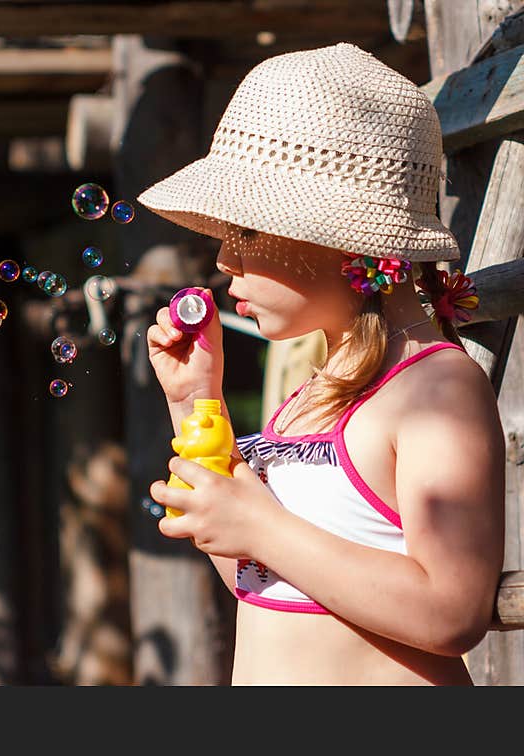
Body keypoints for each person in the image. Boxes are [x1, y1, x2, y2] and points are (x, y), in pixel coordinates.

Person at [140, 42, 506, 685]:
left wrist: (259, 523)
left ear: (342, 241)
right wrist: (195, 401)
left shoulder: (437, 389)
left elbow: (453, 613)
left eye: (247, 233)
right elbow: (261, 578)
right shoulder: (318, 393)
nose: (226, 261)